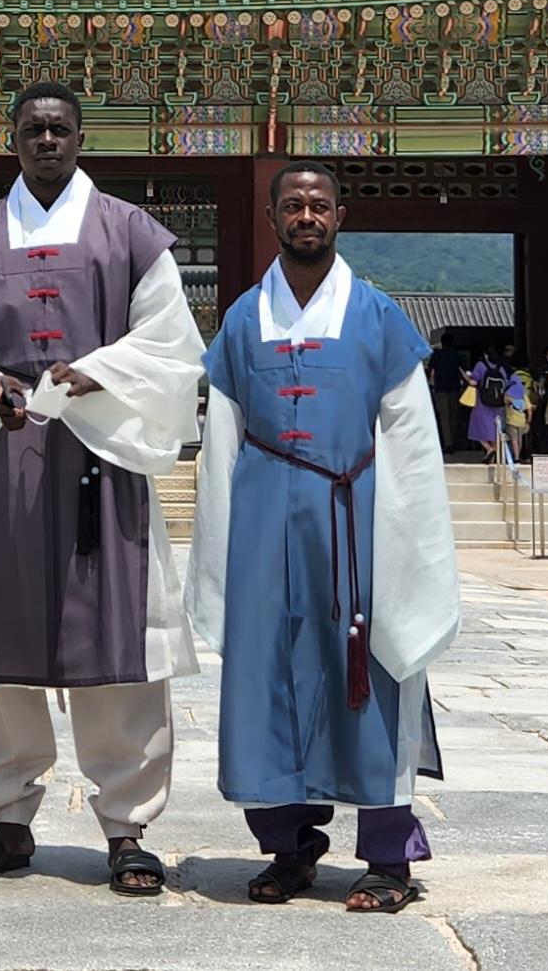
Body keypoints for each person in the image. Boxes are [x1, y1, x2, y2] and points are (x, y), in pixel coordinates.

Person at [0, 82, 204, 897]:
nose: (46, 140)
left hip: (100, 463)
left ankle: (128, 826)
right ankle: (8, 819)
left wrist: (99, 370)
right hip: (11, 462)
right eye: (32, 129)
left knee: (119, 645)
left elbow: (173, 341)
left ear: (81, 139)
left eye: (60, 129)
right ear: (12, 140)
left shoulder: (129, 234)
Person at [188, 160, 459, 916]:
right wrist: (217, 555)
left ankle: (387, 859)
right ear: (272, 217)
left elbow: (409, 438)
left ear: (340, 215)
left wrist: (408, 542)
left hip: (357, 514)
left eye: (318, 204)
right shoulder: (243, 318)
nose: (305, 215)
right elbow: (220, 444)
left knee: (370, 669)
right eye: (292, 205)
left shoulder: (377, 317)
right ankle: (288, 848)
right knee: (268, 676)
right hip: (264, 514)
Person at [466, 345, 510, 461]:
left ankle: (489, 448)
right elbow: (506, 382)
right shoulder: (500, 368)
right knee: (496, 428)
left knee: (477, 426)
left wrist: (468, 378)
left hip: (483, 401)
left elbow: (474, 381)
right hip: (498, 402)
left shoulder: (481, 365)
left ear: (486, 354)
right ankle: (496, 454)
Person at [426, 341, 468, 455]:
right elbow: (464, 369)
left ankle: (448, 444)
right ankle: (454, 441)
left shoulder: (437, 355)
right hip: (454, 388)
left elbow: (430, 369)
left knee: (444, 417)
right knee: (454, 415)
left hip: (441, 388)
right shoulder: (456, 355)